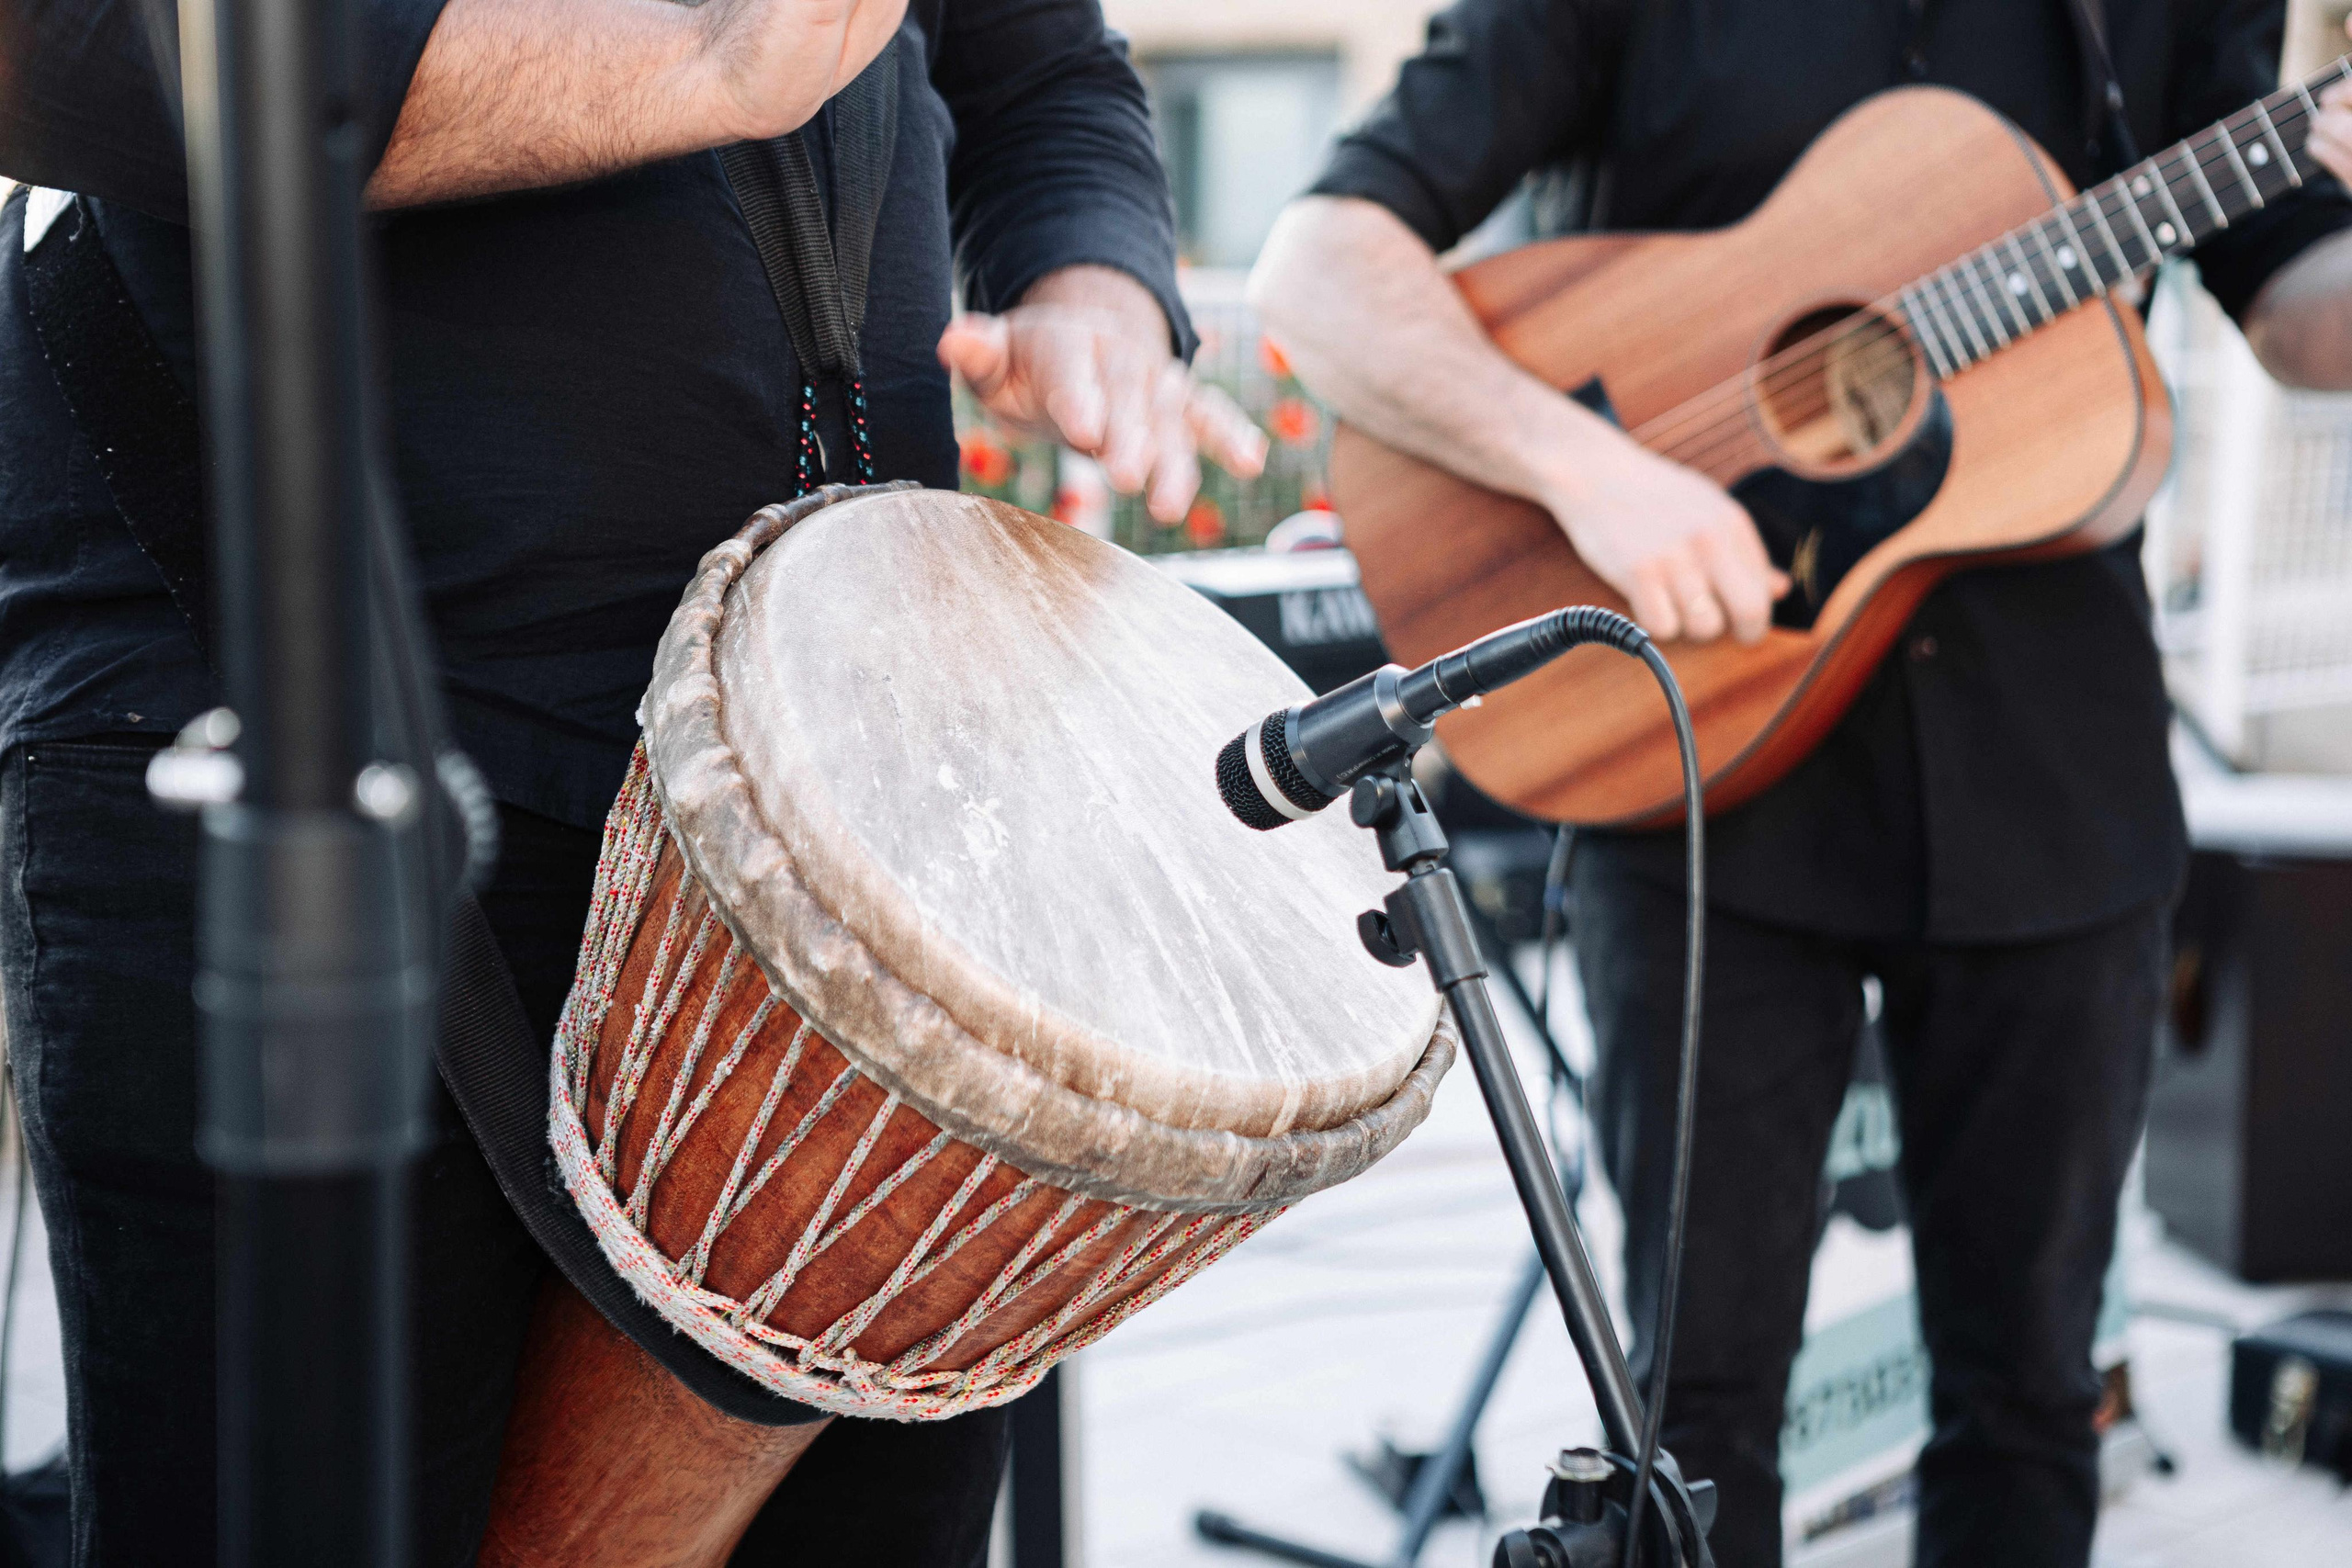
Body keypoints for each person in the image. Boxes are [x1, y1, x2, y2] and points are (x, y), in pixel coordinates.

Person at [0, 1, 1264, 1562]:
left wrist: (1094, 284)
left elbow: (1041, 64)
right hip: (284, 735)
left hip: (844, 783)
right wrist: (705, 62)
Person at [1250, 4, 2352, 1565]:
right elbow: (1317, 262)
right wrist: (1589, 470)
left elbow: (2300, 303)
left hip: (2055, 781)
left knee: (2036, 1397)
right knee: (1688, 1423)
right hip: (1699, 786)